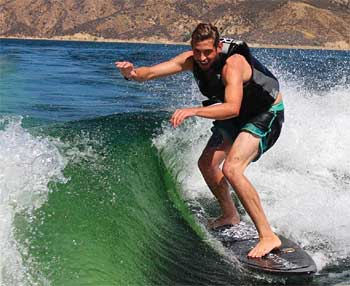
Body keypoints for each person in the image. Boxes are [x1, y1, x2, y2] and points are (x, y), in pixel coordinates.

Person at [116, 23, 284, 258]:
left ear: (218, 47)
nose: (202, 58)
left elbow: (232, 108)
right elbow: (152, 72)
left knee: (233, 169)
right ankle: (229, 215)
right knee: (207, 163)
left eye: (208, 52)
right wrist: (132, 74)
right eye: (197, 52)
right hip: (237, 114)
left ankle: (268, 236)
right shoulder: (191, 59)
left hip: (264, 113)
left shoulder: (232, 66)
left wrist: (193, 111)